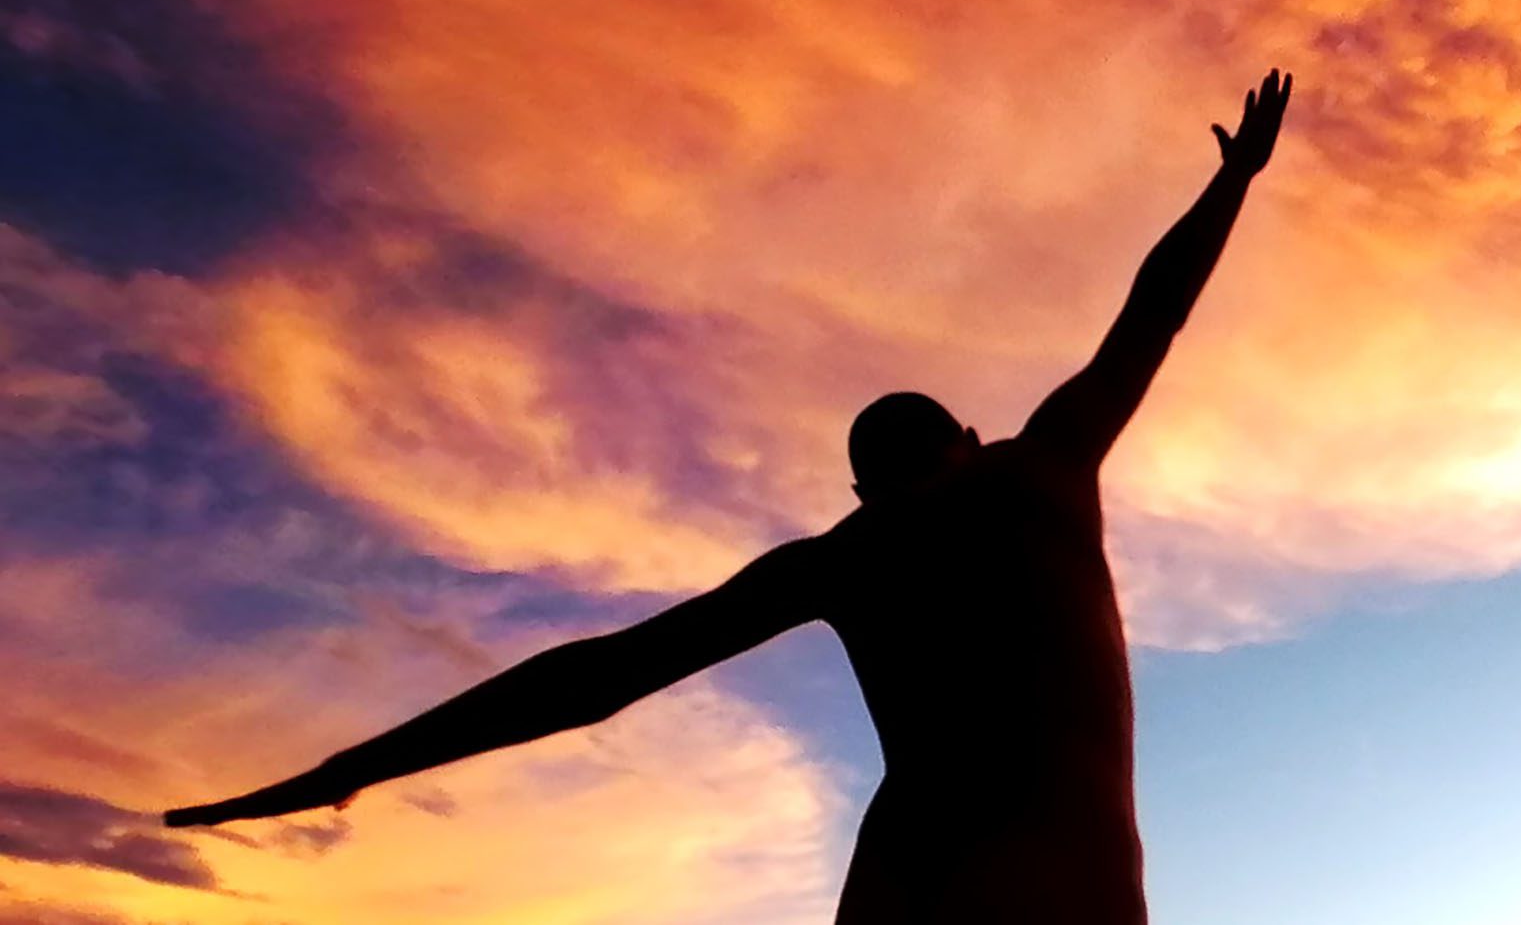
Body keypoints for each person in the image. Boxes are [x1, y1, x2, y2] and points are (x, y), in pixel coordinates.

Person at [166, 69, 1293, 923]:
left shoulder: (856, 551)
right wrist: (1229, 183)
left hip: (933, 873)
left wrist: (352, 768)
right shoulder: (1031, 472)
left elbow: (599, 677)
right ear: (963, 437)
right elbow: (1153, 315)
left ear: (865, 483)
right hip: (1047, 875)